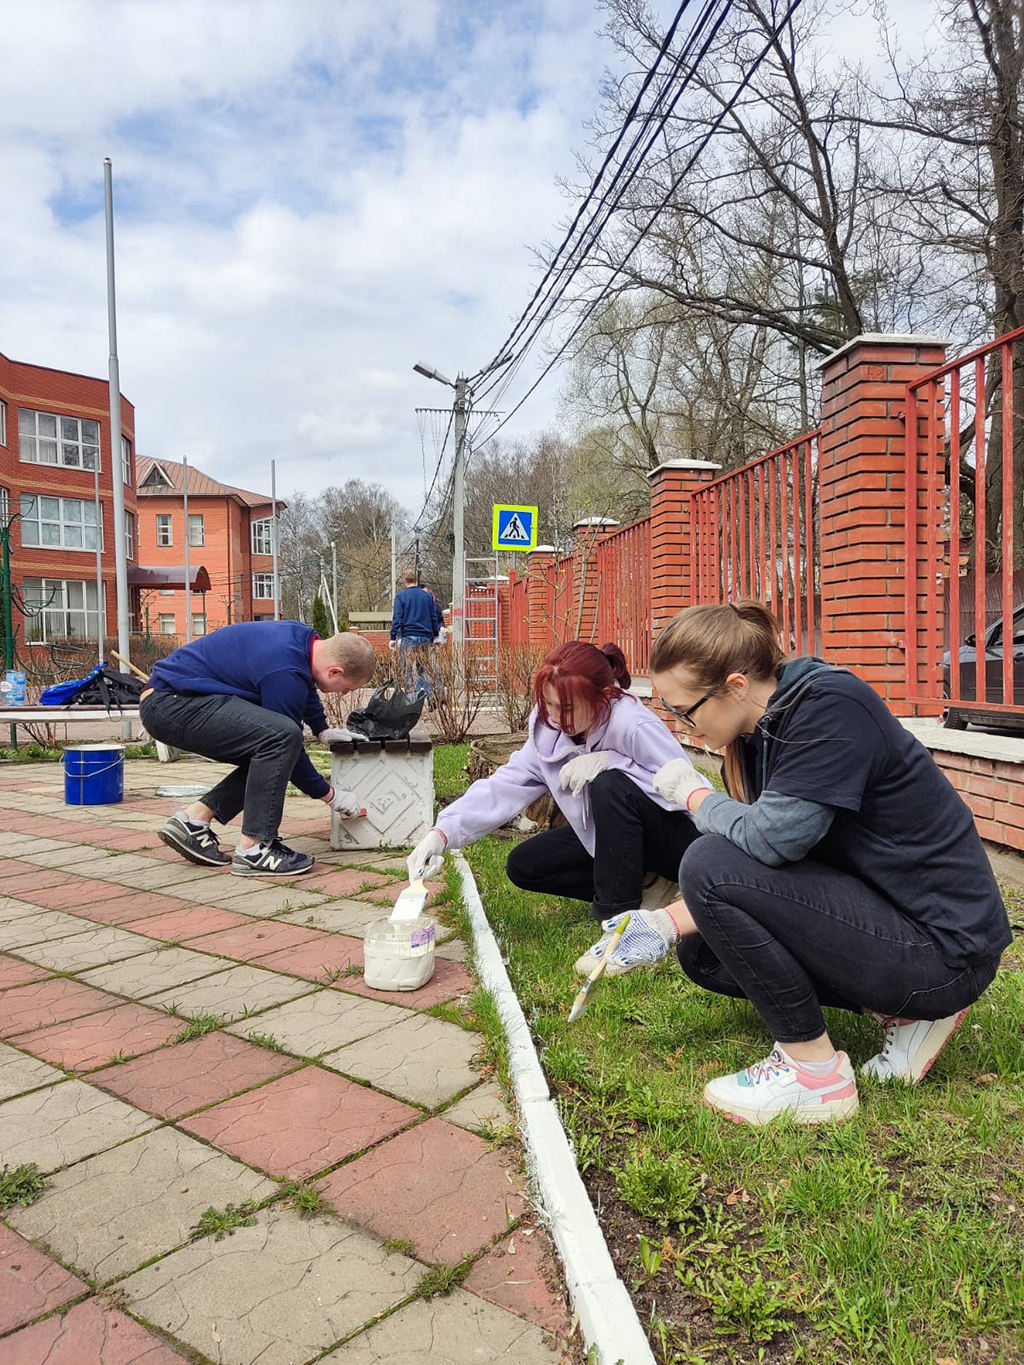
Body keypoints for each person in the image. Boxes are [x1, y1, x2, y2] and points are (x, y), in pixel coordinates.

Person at [606, 600, 1011, 1127]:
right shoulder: (762, 731)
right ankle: (904, 1012)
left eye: (686, 710)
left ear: (735, 686)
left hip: (945, 953)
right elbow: (771, 873)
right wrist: (663, 923)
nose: (684, 726)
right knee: (703, 953)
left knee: (706, 860)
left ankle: (815, 1075)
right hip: (894, 917)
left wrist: (695, 797)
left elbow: (767, 842)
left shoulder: (830, 708)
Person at [406, 641, 709, 935]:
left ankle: (617, 921)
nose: (556, 717)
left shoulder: (632, 724)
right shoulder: (548, 731)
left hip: (683, 843)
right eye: (548, 704)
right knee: (525, 864)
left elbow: (683, 785)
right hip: (619, 839)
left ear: (603, 696)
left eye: (567, 707)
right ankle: (647, 886)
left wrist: (613, 761)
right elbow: (506, 784)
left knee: (609, 784)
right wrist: (442, 833)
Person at [140, 621, 375, 877]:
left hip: (176, 699)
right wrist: (330, 795)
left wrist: (321, 729)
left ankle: (193, 820)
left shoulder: (304, 642)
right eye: (348, 688)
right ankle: (255, 848)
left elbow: (305, 685)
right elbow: (287, 743)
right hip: (171, 704)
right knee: (281, 739)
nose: (344, 694)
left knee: (270, 752)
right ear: (334, 671)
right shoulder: (284, 670)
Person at [390, 569, 444, 696]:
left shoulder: (400, 596)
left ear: (404, 581)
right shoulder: (427, 596)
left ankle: (410, 697)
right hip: (425, 636)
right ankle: (427, 695)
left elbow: (397, 618)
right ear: (416, 580)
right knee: (423, 668)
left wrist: (393, 637)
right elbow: (433, 616)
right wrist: (435, 634)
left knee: (407, 668)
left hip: (408, 635)